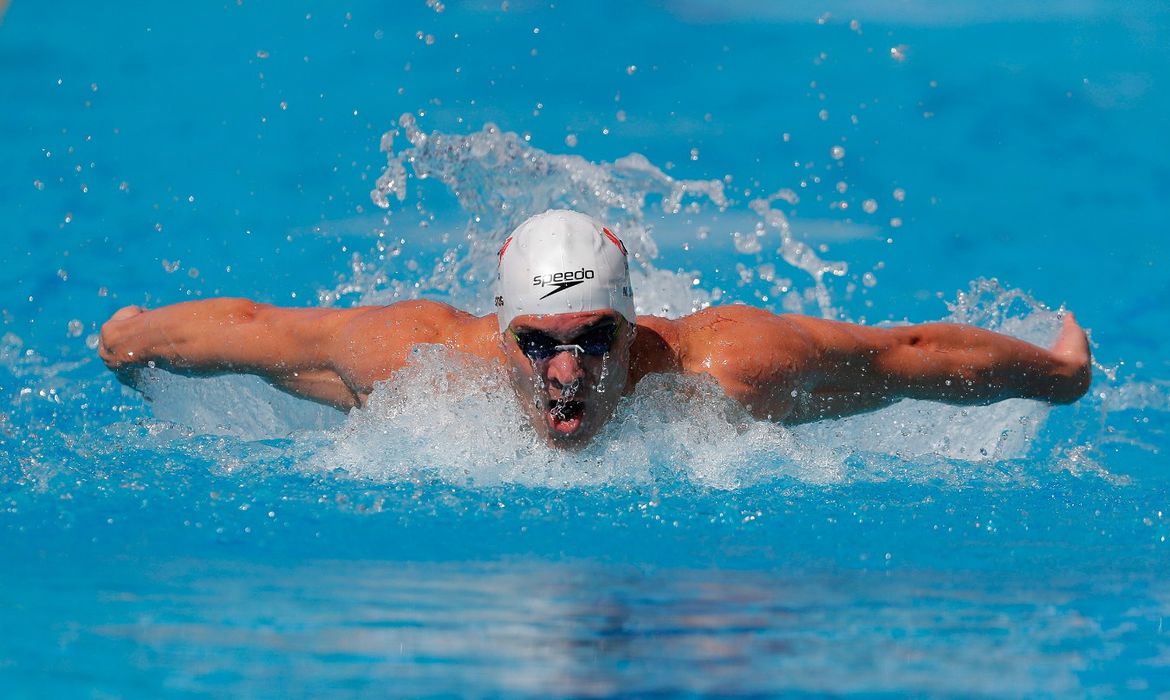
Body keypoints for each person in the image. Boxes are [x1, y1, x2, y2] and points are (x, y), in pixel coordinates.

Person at [99, 209, 1092, 446]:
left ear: (633, 326)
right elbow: (259, 329)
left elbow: (907, 355)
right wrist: (131, 340)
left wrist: (1059, 376)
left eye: (594, 340)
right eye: (538, 343)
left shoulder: (727, 364)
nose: (566, 373)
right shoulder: (418, 358)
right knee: (320, 373)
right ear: (502, 331)